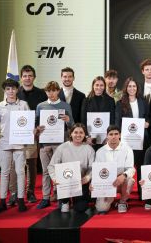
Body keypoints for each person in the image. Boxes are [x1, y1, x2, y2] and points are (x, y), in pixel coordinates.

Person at [0, 79, 30, 213]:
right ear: (4, 90)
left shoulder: (24, 104)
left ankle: (20, 200)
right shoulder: (0, 106)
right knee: (4, 172)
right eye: (8, 89)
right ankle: (2, 201)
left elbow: (28, 123)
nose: (11, 91)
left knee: (20, 172)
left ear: (17, 89)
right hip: (5, 143)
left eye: (13, 88)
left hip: (19, 143)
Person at [34, 81, 74, 209]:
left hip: (60, 144)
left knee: (59, 171)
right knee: (45, 171)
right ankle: (45, 198)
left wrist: (68, 121)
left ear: (58, 91)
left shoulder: (65, 106)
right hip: (45, 144)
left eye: (53, 90)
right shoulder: (40, 106)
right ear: (45, 92)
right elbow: (36, 126)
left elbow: (72, 126)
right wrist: (37, 129)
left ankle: (59, 197)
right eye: (48, 91)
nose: (51, 93)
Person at [15, 65, 47, 204]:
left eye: (30, 75)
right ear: (21, 78)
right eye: (25, 76)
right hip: (17, 134)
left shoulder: (41, 93)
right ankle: (16, 192)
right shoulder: (14, 93)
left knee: (31, 163)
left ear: (34, 77)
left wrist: (38, 128)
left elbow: (44, 113)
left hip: (33, 133)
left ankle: (30, 192)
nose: (27, 78)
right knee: (16, 164)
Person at [48, 123, 95, 213]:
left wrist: (88, 177)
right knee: (64, 209)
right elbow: (51, 166)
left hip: (81, 182)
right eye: (75, 132)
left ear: (84, 134)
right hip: (65, 183)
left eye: (81, 132)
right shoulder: (62, 148)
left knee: (80, 208)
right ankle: (65, 202)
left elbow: (92, 168)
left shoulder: (89, 149)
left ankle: (80, 200)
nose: (78, 135)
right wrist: (55, 178)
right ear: (71, 134)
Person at [114, 77, 150, 197]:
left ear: (137, 88)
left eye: (134, 86)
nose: (132, 88)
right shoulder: (120, 103)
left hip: (141, 139)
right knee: (127, 166)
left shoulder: (143, 101)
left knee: (141, 165)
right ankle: (124, 192)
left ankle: (142, 192)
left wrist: (147, 123)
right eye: (129, 86)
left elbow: (148, 116)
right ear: (126, 88)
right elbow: (117, 122)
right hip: (126, 141)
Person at [93, 125, 135, 214]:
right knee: (102, 208)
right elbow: (96, 172)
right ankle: (109, 199)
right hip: (106, 183)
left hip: (121, 181)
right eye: (111, 134)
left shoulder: (127, 149)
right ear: (107, 136)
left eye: (116, 134)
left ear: (120, 135)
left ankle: (122, 201)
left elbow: (131, 169)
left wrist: (123, 175)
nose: (113, 136)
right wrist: (92, 184)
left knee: (130, 179)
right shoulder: (100, 152)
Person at [81, 76, 116, 141]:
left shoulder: (110, 100)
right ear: (93, 86)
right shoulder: (86, 101)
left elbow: (112, 119)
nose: (99, 87)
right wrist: (86, 136)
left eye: (101, 85)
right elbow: (83, 119)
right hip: (90, 137)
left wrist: (110, 136)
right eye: (97, 85)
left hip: (106, 138)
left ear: (104, 86)